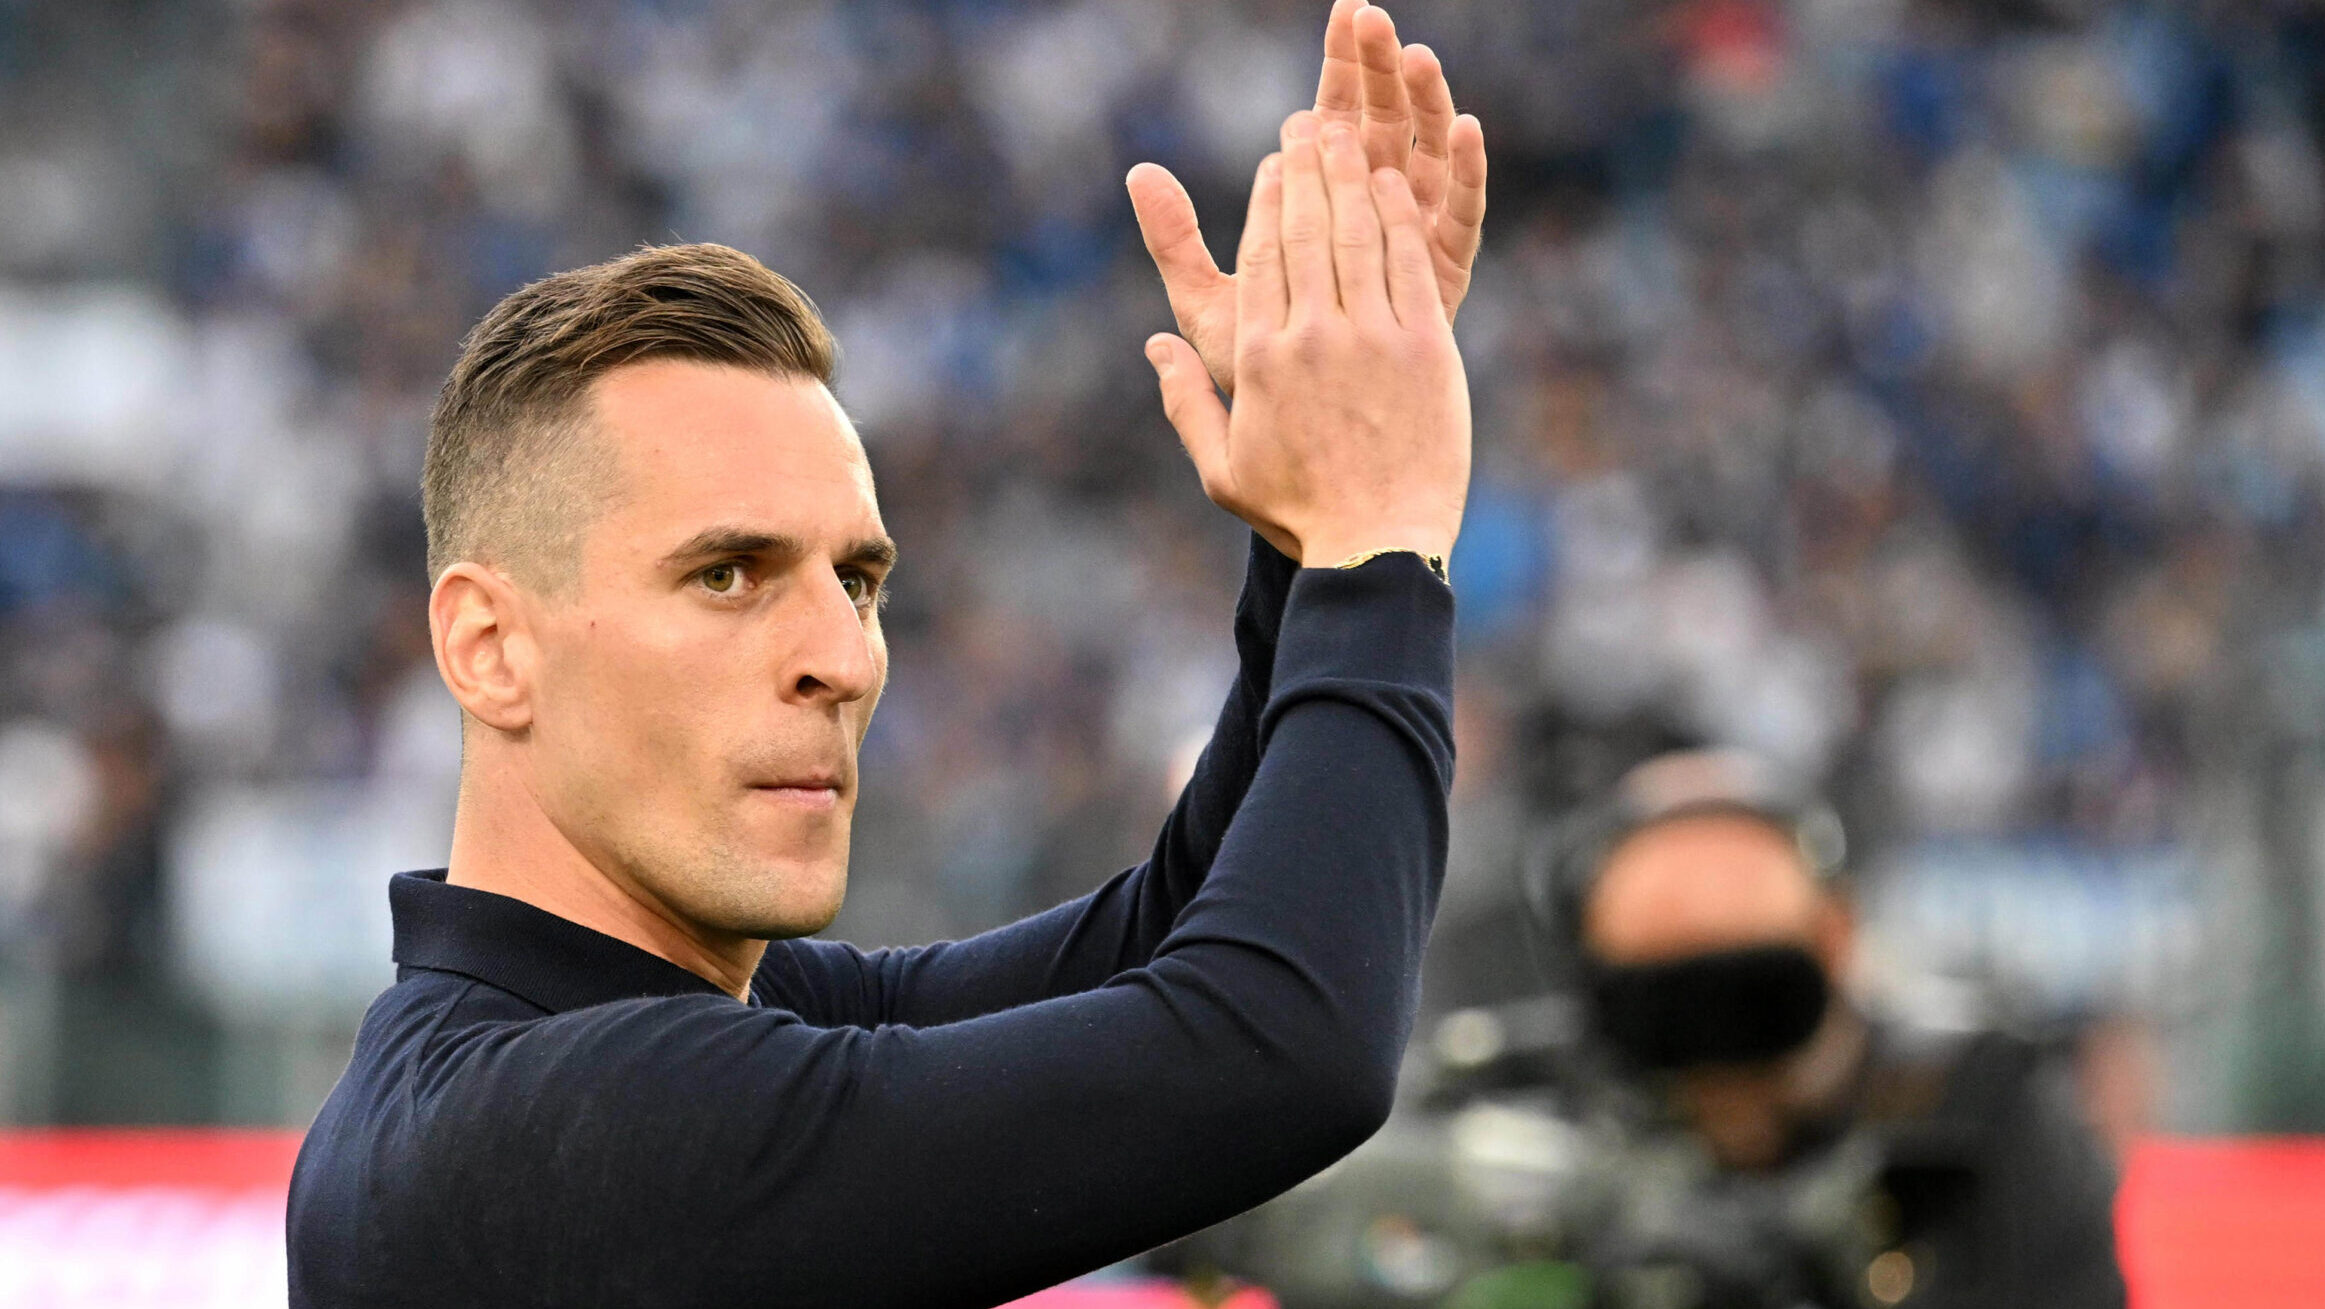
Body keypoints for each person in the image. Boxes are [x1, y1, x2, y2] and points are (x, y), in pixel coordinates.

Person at [285, 5, 1486, 1306]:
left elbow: (1166, 946)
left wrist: (1309, 533)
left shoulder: (618, 1026)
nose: (840, 661)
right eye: (726, 574)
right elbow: (1271, 1049)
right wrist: (1378, 546)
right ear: (488, 646)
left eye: (856, 580)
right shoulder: (544, 1131)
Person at [1563, 749, 2128, 1309]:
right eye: (1661, 1008)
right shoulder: (1570, 1136)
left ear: (1835, 937)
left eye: (1754, 997)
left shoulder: (1976, 1109)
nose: (1714, 1052)